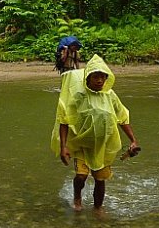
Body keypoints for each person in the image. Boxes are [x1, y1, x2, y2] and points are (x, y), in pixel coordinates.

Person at [51, 54, 140, 213]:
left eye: (102, 77)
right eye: (96, 77)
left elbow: (123, 118)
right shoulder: (79, 96)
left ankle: (98, 208)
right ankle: (77, 197)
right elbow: (65, 120)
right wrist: (64, 146)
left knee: (100, 179)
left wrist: (133, 141)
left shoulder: (110, 95)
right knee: (81, 176)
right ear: (88, 78)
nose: (99, 80)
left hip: (103, 146)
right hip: (82, 145)